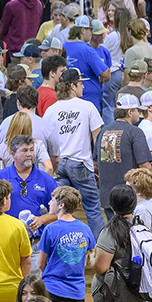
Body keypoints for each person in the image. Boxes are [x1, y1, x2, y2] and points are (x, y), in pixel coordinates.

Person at [36, 186, 95, 302]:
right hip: (77, 290)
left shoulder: (51, 229)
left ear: (61, 205)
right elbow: (90, 253)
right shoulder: (85, 228)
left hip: (54, 288)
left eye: (52, 199)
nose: (49, 202)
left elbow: (40, 263)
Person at [46, 68, 105, 237]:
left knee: (58, 207)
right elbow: (97, 139)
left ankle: (58, 241)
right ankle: (99, 250)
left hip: (59, 163)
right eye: (80, 83)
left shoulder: (52, 109)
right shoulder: (87, 107)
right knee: (92, 207)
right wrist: (97, 163)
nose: (83, 87)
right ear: (72, 86)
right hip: (80, 163)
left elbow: (47, 140)